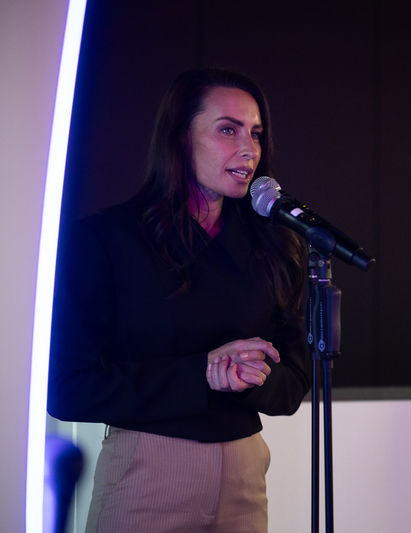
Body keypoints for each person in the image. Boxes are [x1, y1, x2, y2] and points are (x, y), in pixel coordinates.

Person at [47, 67, 310, 532]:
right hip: (149, 470)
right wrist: (204, 373)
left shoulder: (275, 244)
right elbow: (70, 388)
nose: (248, 149)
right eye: (227, 130)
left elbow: (293, 382)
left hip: (245, 474)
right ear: (180, 137)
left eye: (255, 133)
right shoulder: (107, 240)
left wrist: (253, 376)